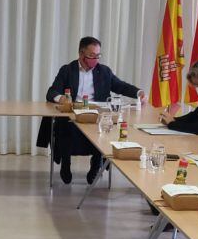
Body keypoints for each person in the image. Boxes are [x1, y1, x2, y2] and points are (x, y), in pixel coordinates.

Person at [44, 36, 143, 184]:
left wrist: (138, 93)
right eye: (91, 56)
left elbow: (120, 86)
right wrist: (61, 98)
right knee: (64, 127)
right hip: (74, 115)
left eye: (98, 56)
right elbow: (51, 92)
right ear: (81, 54)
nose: (95, 59)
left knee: (104, 131)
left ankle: (96, 165)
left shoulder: (104, 71)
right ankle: (66, 165)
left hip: (97, 117)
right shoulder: (67, 70)